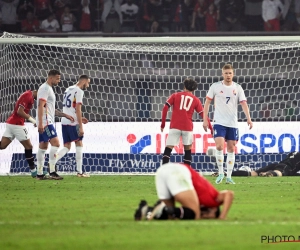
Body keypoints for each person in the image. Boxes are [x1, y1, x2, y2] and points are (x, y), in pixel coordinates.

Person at [203, 64, 253, 185]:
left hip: (233, 123)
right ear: (222, 74)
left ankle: (229, 177)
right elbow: (207, 102)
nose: (228, 75)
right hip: (219, 122)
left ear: (233, 74)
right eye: (226, 73)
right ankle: (221, 173)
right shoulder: (215, 86)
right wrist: (205, 119)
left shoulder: (238, 88)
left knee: (231, 148)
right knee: (219, 146)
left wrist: (249, 118)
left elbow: (244, 104)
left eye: (230, 73)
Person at [134, 162, 234, 220]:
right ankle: (161, 209)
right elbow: (229, 194)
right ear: (214, 209)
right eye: (209, 216)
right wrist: (222, 216)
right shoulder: (214, 199)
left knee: (170, 215)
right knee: (195, 214)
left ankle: (147, 210)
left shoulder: (198, 202)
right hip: (179, 171)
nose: (206, 216)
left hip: (162, 171)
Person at [161, 78, 213, 166]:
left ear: (184, 86)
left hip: (175, 126)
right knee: (188, 150)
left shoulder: (175, 95)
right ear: (194, 89)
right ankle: (187, 172)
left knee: (168, 148)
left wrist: (163, 124)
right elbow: (203, 115)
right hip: (187, 127)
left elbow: (165, 107)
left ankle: (164, 170)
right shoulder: (196, 100)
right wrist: (211, 128)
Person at [36, 69, 74, 180]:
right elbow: (40, 106)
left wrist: (64, 115)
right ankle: (52, 172)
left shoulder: (48, 89)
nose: (59, 81)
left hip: (46, 121)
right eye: (57, 78)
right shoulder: (45, 88)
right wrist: (41, 123)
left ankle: (39, 174)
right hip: (46, 122)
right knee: (56, 144)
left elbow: (51, 109)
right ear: (51, 77)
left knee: (43, 146)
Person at [54, 75, 90, 177]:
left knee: (67, 146)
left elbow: (70, 107)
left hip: (64, 121)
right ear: (84, 81)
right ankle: (79, 172)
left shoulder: (68, 89)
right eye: (88, 83)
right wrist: (80, 125)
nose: (88, 86)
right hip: (73, 122)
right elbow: (78, 109)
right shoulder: (79, 91)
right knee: (79, 144)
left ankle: (53, 161)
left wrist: (80, 118)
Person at [0, 90, 40, 177]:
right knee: (29, 147)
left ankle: (34, 170)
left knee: (2, 146)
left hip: (11, 123)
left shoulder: (28, 94)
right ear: (38, 92)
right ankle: (34, 171)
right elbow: (20, 111)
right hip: (17, 124)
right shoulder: (28, 96)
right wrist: (33, 121)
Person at [231, 152, 300, 177]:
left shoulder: (295, 154)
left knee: (253, 173)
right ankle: (269, 174)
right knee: (280, 172)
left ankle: (228, 174)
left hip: (276, 165)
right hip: (285, 167)